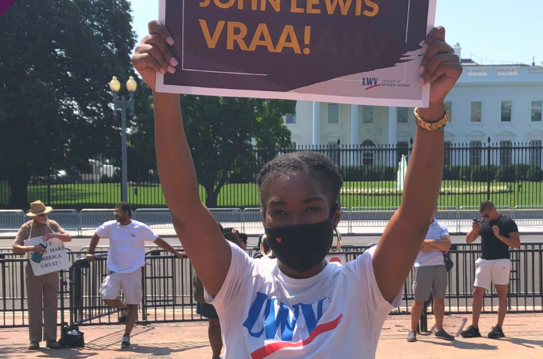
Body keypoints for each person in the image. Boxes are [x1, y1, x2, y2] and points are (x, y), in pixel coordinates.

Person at [132, 21, 461, 358]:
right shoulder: (239, 281)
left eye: (311, 208)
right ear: (264, 217)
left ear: (335, 216)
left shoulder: (362, 286)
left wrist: (431, 106)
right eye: (280, 211)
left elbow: (415, 217)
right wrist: (163, 92)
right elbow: (186, 210)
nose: (295, 221)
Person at [86, 202, 185, 348]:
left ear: (126, 213)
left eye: (118, 211)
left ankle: (126, 336)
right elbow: (96, 235)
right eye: (115, 211)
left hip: (133, 271)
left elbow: (158, 241)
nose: (115, 214)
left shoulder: (140, 228)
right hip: (115, 270)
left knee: (133, 304)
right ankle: (122, 309)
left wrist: (176, 253)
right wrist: (90, 252)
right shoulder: (110, 226)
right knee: (107, 297)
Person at [11, 200, 72, 350]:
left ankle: (51, 339)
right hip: (34, 270)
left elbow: (68, 237)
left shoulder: (53, 224)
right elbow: (15, 247)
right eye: (41, 214)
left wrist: (53, 235)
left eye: (45, 213)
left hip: (52, 269)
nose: (44, 216)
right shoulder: (26, 228)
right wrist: (31, 248)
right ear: (34, 216)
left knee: (51, 304)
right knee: (34, 304)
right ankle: (34, 339)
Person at [461, 200, 520, 339]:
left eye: (487, 215)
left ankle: (499, 327)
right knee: (477, 292)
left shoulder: (507, 222)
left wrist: (499, 236)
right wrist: (474, 229)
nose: (485, 218)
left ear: (493, 209)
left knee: (501, 293)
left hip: (501, 260)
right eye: (483, 215)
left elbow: (517, 243)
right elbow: (468, 240)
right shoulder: (483, 222)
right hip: (485, 260)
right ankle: (474, 327)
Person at [194, 226, 250, 359]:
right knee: (218, 323)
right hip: (216, 289)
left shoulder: (202, 245)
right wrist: (235, 238)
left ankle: (217, 354)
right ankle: (218, 354)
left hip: (211, 288)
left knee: (215, 323)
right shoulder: (221, 246)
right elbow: (241, 256)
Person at [407, 208, 453, 342]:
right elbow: (420, 246)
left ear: (435, 210)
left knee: (439, 299)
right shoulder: (418, 227)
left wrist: (430, 243)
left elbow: (447, 245)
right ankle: (412, 330)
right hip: (422, 266)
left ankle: (439, 329)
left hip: (440, 266)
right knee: (419, 300)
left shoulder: (441, 226)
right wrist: (437, 244)